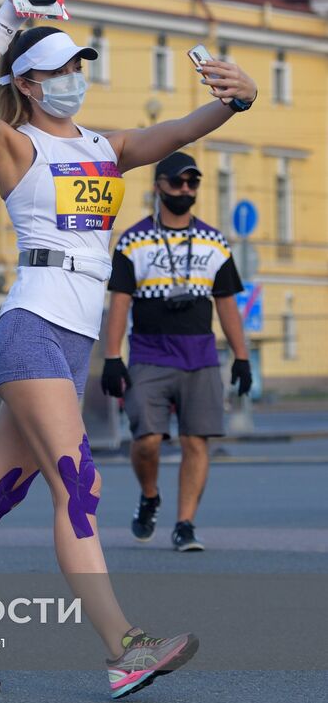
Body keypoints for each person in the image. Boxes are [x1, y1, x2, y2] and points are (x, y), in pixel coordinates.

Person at [0, 0, 257, 700]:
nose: (72, 80)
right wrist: (8, 17)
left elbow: (179, 133)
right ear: (26, 85)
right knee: (78, 487)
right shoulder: (14, 147)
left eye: (77, 67)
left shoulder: (105, 146)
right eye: (58, 71)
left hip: (69, 340)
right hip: (30, 329)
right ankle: (124, 648)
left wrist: (234, 100)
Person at [102, 151, 252, 552]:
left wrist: (241, 357)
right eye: (176, 182)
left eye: (192, 182)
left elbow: (226, 304)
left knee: (195, 441)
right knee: (147, 440)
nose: (185, 189)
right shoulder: (133, 240)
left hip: (201, 356)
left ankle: (185, 524)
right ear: (159, 187)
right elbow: (119, 302)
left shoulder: (213, 241)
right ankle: (150, 496)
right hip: (149, 355)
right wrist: (112, 357)